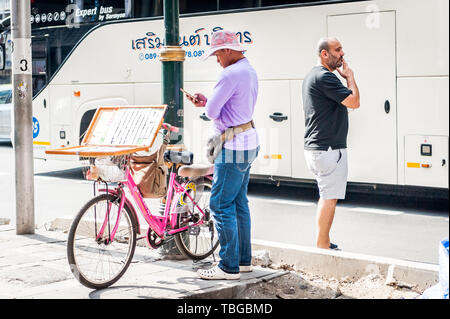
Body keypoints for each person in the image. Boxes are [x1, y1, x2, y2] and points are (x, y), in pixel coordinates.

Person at [184, 30, 259, 280]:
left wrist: (205, 103)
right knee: (239, 202)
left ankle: (228, 267)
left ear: (227, 50)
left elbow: (214, 110)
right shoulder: (248, 69)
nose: (217, 59)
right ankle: (243, 261)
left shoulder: (229, 74)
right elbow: (229, 105)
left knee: (219, 204)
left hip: (233, 147)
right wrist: (208, 102)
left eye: (217, 54)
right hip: (249, 140)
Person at [302, 37, 360, 250]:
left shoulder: (312, 76)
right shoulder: (326, 77)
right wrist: (350, 78)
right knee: (329, 198)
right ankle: (322, 245)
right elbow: (354, 101)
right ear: (324, 54)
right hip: (328, 149)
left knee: (326, 196)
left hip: (318, 148)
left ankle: (323, 241)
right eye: (337, 49)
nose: (342, 53)